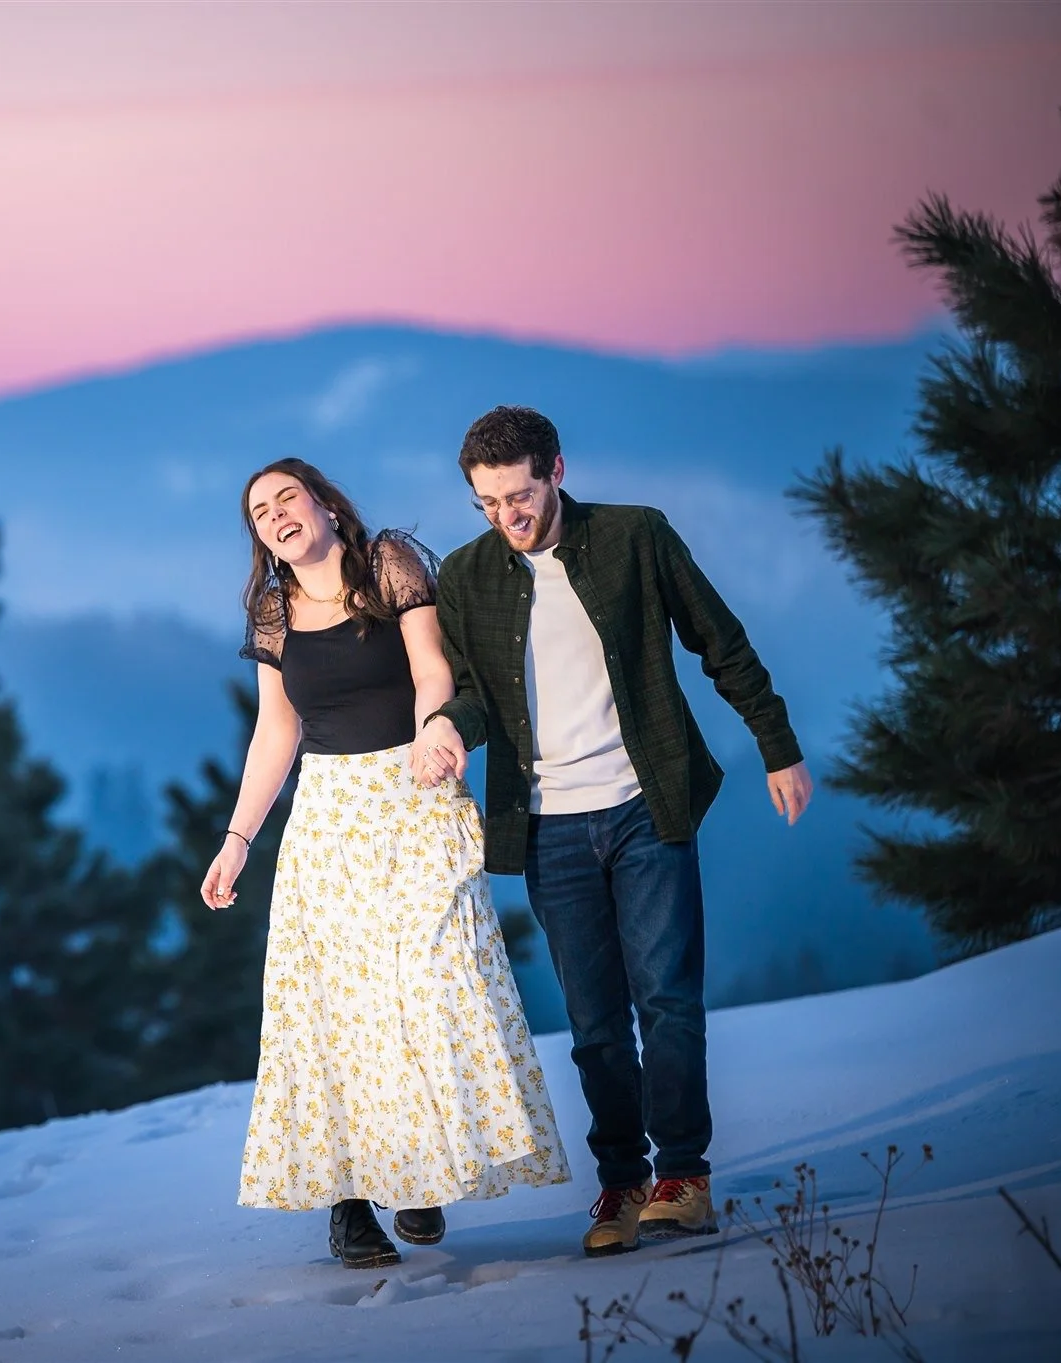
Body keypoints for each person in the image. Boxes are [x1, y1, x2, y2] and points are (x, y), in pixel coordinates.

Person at [418, 406, 813, 1258]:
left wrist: (776, 745)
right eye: (487, 504)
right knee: (595, 1023)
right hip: (549, 825)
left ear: (556, 469)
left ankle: (683, 1175)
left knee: (666, 996)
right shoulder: (467, 574)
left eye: (519, 496)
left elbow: (721, 641)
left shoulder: (636, 536)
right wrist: (449, 725)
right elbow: (480, 696)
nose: (507, 517)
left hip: (645, 804)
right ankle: (622, 1182)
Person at [202, 457, 569, 1270]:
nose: (276, 516)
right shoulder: (272, 608)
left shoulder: (389, 562)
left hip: (411, 789)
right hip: (328, 816)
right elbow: (276, 729)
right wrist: (238, 838)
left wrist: (437, 732)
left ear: (328, 503)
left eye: (288, 497)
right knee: (332, 1010)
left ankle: (418, 1171)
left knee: (432, 985)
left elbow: (431, 665)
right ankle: (350, 1204)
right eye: (260, 512)